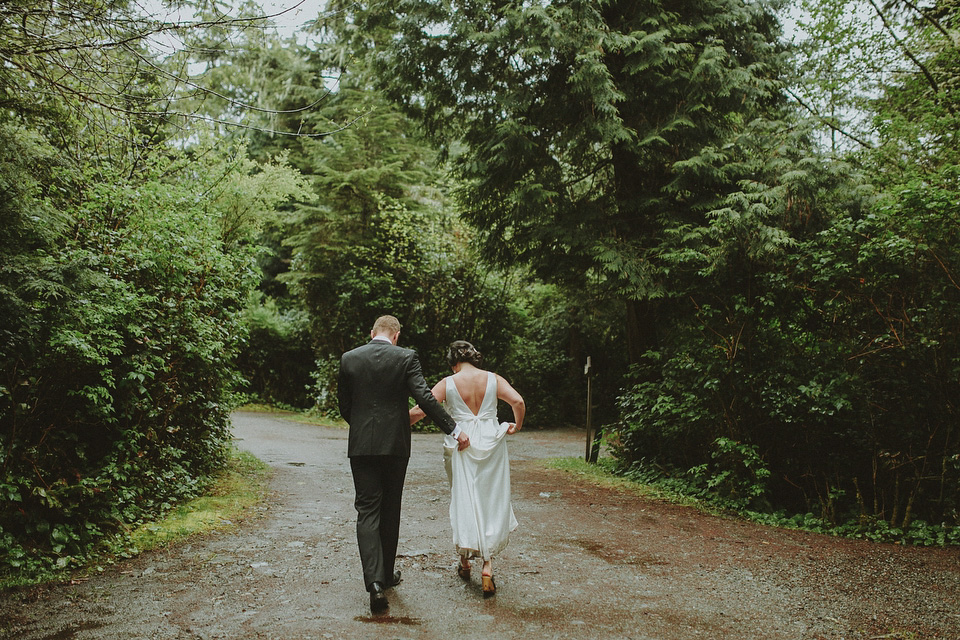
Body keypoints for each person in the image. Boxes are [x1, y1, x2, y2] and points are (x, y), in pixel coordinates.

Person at [338, 315, 470, 613]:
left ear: (373, 333)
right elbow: (424, 397)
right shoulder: (406, 357)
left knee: (366, 509)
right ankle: (385, 576)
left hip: (361, 446)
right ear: (396, 336)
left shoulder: (349, 359)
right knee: (390, 506)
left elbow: (344, 405)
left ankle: (373, 582)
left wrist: (362, 428)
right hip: (395, 445)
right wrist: (454, 428)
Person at [410, 340, 525, 597]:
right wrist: (516, 425)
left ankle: (464, 561)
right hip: (490, 442)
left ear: (453, 363)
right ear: (475, 358)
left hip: (460, 443)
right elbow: (517, 401)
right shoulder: (494, 379)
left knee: (464, 499)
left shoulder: (448, 383)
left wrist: (393, 421)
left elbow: (421, 410)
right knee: (489, 500)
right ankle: (487, 566)